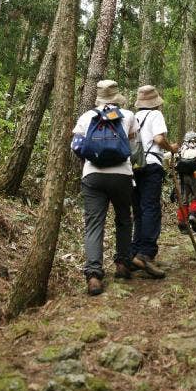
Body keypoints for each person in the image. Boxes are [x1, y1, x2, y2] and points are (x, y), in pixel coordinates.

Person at [71, 80, 138, 296]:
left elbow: (77, 146)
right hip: (122, 175)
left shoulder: (86, 116)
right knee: (123, 219)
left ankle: (93, 275)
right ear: (116, 97)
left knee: (93, 224)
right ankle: (122, 264)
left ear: (98, 97)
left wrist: (94, 159)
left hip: (93, 176)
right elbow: (134, 148)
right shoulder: (128, 116)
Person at [130, 85, 178, 278]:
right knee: (151, 208)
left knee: (138, 210)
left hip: (133, 167)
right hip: (151, 165)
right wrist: (171, 148)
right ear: (155, 103)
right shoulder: (156, 116)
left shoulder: (133, 117)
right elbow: (158, 139)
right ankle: (146, 253)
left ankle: (134, 253)